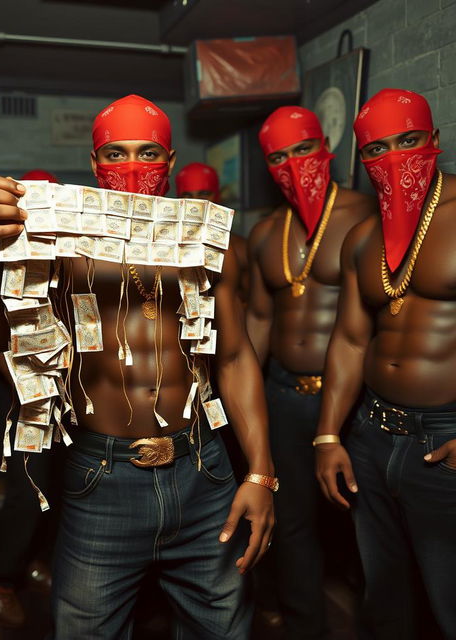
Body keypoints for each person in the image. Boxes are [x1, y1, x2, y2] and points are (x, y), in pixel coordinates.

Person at [0, 94, 275, 639]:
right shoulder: (60, 245)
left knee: (224, 630)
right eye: (115, 154)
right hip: (101, 477)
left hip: (203, 469)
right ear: (94, 165)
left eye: (147, 153)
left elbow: (237, 355)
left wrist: (262, 471)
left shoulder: (213, 246)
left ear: (171, 161)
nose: (131, 168)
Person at [315, 88, 456, 640]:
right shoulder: (362, 238)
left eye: (409, 141)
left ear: (435, 141)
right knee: (386, 597)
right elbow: (350, 340)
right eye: (377, 148)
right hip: (372, 434)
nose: (394, 157)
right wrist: (327, 436)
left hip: (445, 437)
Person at [246, 106, 374, 639]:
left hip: (355, 401)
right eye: (278, 156)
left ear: (326, 147)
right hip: (282, 396)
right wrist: (238, 398)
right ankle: (306, 627)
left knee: (367, 523)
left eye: (303, 149)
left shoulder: (365, 214)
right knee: (291, 522)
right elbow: (257, 318)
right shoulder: (264, 232)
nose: (293, 164)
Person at [0, 168, 60, 628]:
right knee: (26, 493)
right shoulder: (2, 258)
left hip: (66, 397)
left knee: (59, 490)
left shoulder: (64, 253)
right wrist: (26, 392)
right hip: (24, 397)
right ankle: (0, 578)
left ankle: (37, 561)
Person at [176, 162, 249, 306]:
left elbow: (254, 308)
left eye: (203, 194)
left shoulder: (240, 248)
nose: (197, 203)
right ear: (179, 201)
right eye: (188, 196)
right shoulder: (168, 250)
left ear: (218, 196)